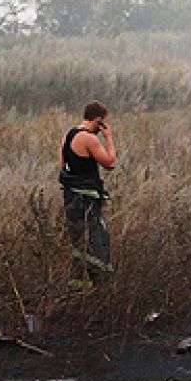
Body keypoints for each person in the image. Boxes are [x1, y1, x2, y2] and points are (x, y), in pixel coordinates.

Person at [59, 101, 117, 290]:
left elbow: (62, 165)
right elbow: (109, 163)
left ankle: (77, 286)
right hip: (87, 199)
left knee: (77, 240)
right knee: (98, 239)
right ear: (99, 121)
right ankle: (100, 286)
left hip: (70, 196)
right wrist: (108, 138)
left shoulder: (68, 135)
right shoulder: (89, 138)